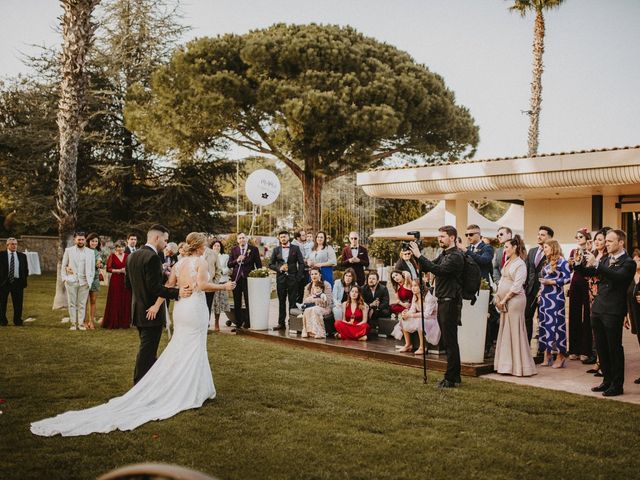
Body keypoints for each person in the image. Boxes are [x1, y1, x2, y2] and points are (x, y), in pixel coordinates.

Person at [30, 232, 234, 437]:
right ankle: (192, 389)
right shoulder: (201, 262)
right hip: (195, 308)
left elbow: (167, 287)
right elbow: (202, 285)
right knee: (194, 346)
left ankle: (186, 385)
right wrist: (223, 286)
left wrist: (155, 306)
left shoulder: (179, 263)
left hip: (181, 310)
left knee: (181, 346)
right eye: (205, 243)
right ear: (200, 246)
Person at [575, 229, 636, 397]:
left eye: (609, 241)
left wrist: (598, 264)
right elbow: (591, 273)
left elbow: (618, 277)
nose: (606, 244)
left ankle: (617, 385)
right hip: (598, 308)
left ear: (621, 243)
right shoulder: (606, 259)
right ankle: (607, 380)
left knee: (614, 348)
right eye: (606, 241)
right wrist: (579, 264)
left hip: (613, 310)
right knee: (601, 348)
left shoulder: (628, 262)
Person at [125, 225, 187, 384]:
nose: (166, 244)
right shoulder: (152, 257)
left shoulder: (133, 256)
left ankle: (148, 383)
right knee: (147, 351)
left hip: (138, 310)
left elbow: (128, 284)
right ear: (156, 238)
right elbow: (155, 288)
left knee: (147, 349)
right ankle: (139, 384)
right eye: (165, 240)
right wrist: (177, 292)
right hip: (150, 312)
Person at [409, 225, 464, 389]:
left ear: (452, 238)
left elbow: (438, 270)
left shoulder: (456, 257)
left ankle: (450, 378)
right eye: (439, 236)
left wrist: (420, 256)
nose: (440, 239)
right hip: (443, 301)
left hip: (450, 302)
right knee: (449, 341)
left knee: (450, 342)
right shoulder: (445, 254)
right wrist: (415, 255)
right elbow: (428, 266)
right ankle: (455, 376)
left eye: (443, 236)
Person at [493, 235, 537, 377]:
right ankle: (506, 365)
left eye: (506, 247)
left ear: (515, 247)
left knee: (515, 331)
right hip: (504, 302)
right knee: (505, 330)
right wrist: (498, 298)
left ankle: (519, 366)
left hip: (515, 301)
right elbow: (503, 281)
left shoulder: (520, 264)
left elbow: (517, 285)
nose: (504, 250)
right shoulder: (507, 262)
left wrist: (504, 299)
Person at [537, 239, 571, 369]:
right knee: (545, 324)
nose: (544, 249)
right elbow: (543, 280)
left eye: (546, 247)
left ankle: (560, 355)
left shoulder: (562, 261)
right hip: (545, 297)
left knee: (556, 325)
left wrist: (552, 282)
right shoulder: (547, 262)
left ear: (553, 247)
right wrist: (540, 292)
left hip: (556, 298)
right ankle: (547, 354)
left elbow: (568, 278)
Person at [465, 224, 496, 356]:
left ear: (479, 234)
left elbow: (484, 260)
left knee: (484, 317)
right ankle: (472, 343)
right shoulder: (467, 249)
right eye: (467, 235)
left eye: (471, 234)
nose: (468, 237)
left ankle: (486, 346)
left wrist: (467, 252)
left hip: (482, 287)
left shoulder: (487, 248)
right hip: (469, 288)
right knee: (471, 317)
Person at [392, 279, 440, 355]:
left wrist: (411, 315)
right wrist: (406, 314)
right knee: (403, 320)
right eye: (412, 286)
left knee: (420, 323)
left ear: (421, 287)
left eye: (415, 286)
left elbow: (427, 314)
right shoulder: (415, 296)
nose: (413, 288)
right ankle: (408, 345)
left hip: (432, 319)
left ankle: (422, 347)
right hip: (421, 316)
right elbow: (412, 310)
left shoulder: (429, 297)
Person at [269, 230, 306, 330]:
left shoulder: (296, 248)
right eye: (281, 237)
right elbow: (270, 264)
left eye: (284, 236)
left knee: (292, 302)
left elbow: (301, 263)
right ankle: (281, 323)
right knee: (281, 301)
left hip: (293, 279)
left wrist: (298, 277)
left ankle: (292, 323)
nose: (283, 238)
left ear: (288, 237)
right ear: (279, 238)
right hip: (280, 279)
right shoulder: (276, 250)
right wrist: (279, 268)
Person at [61, 232, 96, 331]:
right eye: (79, 239)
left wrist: (90, 279)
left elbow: (92, 269)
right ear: (75, 240)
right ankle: (73, 324)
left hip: (84, 282)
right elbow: (63, 266)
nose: (80, 241)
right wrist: (65, 279)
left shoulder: (91, 252)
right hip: (71, 281)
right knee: (72, 303)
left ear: (85, 240)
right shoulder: (69, 251)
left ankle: (81, 324)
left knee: (81, 304)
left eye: (82, 239)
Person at [525, 225, 554, 343]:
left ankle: (543, 348)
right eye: (538, 234)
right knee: (527, 317)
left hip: (545, 291)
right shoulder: (532, 251)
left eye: (542, 235)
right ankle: (526, 344)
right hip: (530, 290)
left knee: (543, 319)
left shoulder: (553, 253)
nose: (539, 236)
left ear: (550, 238)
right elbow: (527, 270)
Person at [567, 228, 593, 361]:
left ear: (587, 238)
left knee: (587, 316)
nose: (578, 240)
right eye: (576, 237)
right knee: (574, 314)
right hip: (575, 283)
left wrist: (588, 251)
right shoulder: (574, 251)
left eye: (580, 237)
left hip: (587, 283)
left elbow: (591, 267)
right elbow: (570, 268)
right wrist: (571, 263)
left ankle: (586, 350)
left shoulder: (592, 251)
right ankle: (574, 349)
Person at [228, 232, 262, 330]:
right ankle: (238, 324)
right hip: (236, 279)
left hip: (248, 279)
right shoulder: (234, 250)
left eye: (243, 237)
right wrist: (237, 260)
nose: (242, 239)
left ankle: (248, 323)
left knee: (248, 301)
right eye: (240, 238)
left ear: (246, 239)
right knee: (237, 301)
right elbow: (229, 264)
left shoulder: (253, 249)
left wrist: (257, 276)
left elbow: (258, 265)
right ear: (237, 240)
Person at [102, 240, 132, 330]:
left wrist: (126, 270)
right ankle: (114, 322)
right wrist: (119, 271)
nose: (120, 249)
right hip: (115, 280)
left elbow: (130, 267)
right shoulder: (112, 256)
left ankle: (124, 322)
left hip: (125, 280)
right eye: (119, 247)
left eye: (122, 247)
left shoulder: (128, 256)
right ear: (116, 248)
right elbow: (108, 269)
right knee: (115, 299)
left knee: (125, 299)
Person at [0, 237, 28, 326]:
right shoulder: (1, 255)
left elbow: (25, 269)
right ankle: (2, 321)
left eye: (15, 244)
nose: (14, 246)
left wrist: (23, 280)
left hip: (17, 282)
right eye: (12, 244)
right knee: (2, 303)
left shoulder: (22, 256)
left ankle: (18, 321)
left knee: (18, 304)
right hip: (4, 283)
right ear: (7, 245)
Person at [300, 267, 332, 339]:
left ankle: (320, 332)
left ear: (320, 275)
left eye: (316, 274)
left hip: (325, 307)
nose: (314, 276)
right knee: (307, 310)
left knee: (315, 309)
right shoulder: (308, 286)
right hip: (310, 307)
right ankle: (308, 332)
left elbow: (327, 301)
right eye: (312, 274)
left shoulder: (326, 285)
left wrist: (312, 299)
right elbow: (304, 301)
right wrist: (317, 300)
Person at [625, 248, 640, 385]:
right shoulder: (631, 278)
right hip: (635, 316)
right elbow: (627, 295)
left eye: (639, 260)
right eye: (634, 260)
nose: (636, 262)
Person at [209, 240, 230, 332]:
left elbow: (228, 268)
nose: (216, 247)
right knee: (210, 304)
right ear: (212, 247)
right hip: (210, 283)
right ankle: (207, 322)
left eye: (218, 246)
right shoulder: (208, 256)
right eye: (215, 245)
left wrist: (221, 271)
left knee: (219, 304)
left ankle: (217, 322)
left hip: (221, 282)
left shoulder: (225, 256)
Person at [84, 233, 104, 329]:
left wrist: (99, 264)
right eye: (92, 241)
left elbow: (99, 261)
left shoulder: (97, 252)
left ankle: (91, 321)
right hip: (84, 279)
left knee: (93, 301)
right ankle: (84, 321)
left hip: (95, 279)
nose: (94, 243)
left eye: (96, 241)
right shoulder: (84, 251)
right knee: (84, 301)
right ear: (88, 241)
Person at [203, 240, 221, 315]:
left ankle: (206, 325)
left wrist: (214, 283)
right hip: (195, 287)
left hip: (209, 286)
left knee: (207, 307)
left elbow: (218, 270)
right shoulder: (192, 253)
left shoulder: (213, 253)